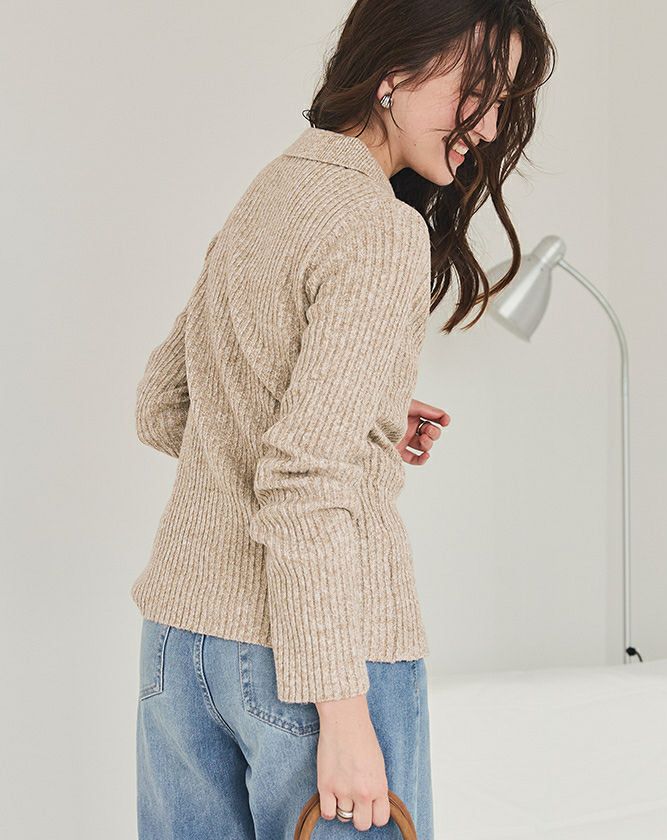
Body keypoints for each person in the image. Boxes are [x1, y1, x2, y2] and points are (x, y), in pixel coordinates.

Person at [131, 1, 555, 837]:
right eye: (476, 89)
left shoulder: (271, 192)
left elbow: (164, 404)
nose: (487, 125)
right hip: (314, 660)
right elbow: (303, 477)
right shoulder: (379, 228)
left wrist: (357, 415)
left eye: (502, 101)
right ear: (395, 69)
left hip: (179, 649)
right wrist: (344, 713)